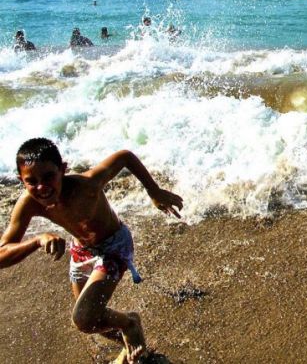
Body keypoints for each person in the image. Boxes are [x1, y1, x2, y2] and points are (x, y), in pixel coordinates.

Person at [0, 138, 183, 363]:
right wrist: (37, 241)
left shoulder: (87, 185)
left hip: (114, 245)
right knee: (92, 323)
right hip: (82, 250)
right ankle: (129, 339)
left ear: (63, 170)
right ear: (21, 180)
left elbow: (125, 156)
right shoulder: (28, 203)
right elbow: (2, 253)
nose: (42, 187)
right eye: (32, 181)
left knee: (83, 317)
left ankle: (130, 324)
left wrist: (154, 191)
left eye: (49, 177)